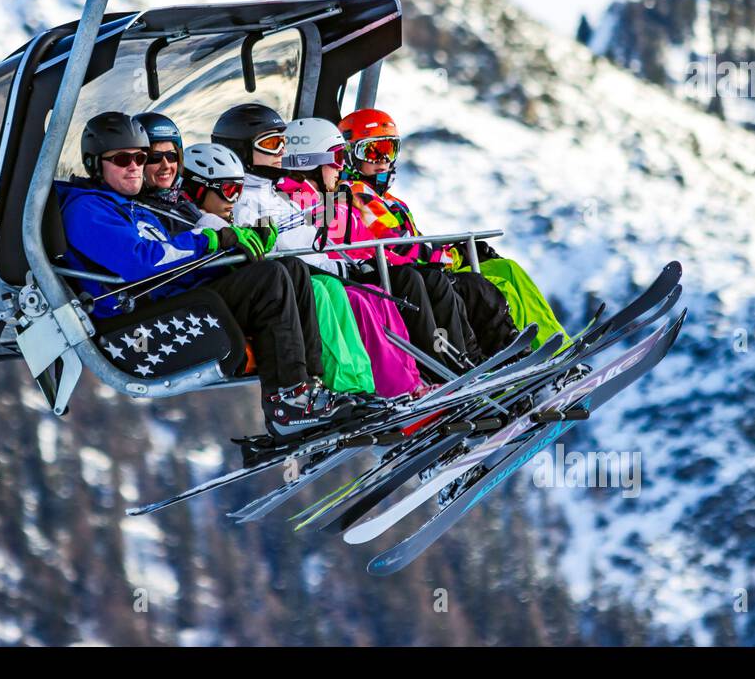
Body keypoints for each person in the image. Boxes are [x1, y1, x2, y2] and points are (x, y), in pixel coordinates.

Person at [52, 111, 351, 436]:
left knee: (289, 269)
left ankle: (311, 388)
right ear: (95, 164)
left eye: (140, 157)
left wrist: (236, 252)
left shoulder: (134, 207)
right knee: (270, 280)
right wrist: (211, 240)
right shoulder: (88, 210)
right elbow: (140, 261)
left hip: (174, 296)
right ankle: (287, 401)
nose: (135, 167)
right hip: (138, 318)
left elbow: (175, 264)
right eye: (123, 159)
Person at [214, 103, 471, 379]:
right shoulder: (267, 199)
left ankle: (420, 373)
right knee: (367, 297)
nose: (342, 167)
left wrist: (354, 263)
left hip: (324, 270)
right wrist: (348, 265)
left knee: (384, 295)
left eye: (283, 144)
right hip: (295, 279)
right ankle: (391, 381)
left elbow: (307, 237)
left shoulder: (282, 197)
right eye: (272, 143)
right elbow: (288, 239)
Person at [338, 107, 568, 352]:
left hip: (424, 269)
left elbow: (417, 243)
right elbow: (398, 245)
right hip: (405, 280)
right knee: (490, 287)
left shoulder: (392, 202)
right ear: (350, 155)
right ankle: (526, 354)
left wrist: (459, 250)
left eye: (388, 149)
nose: (383, 160)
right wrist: (455, 256)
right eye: (372, 151)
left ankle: (557, 344)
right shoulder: (356, 195)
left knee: (506, 269)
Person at [183, 142, 375, 397]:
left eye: (238, 191)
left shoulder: (231, 217)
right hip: (214, 304)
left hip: (243, 293)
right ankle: (334, 385)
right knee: (310, 287)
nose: (234, 200)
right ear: (198, 190)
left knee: (328, 284)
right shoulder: (200, 225)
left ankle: (357, 383)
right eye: (229, 190)